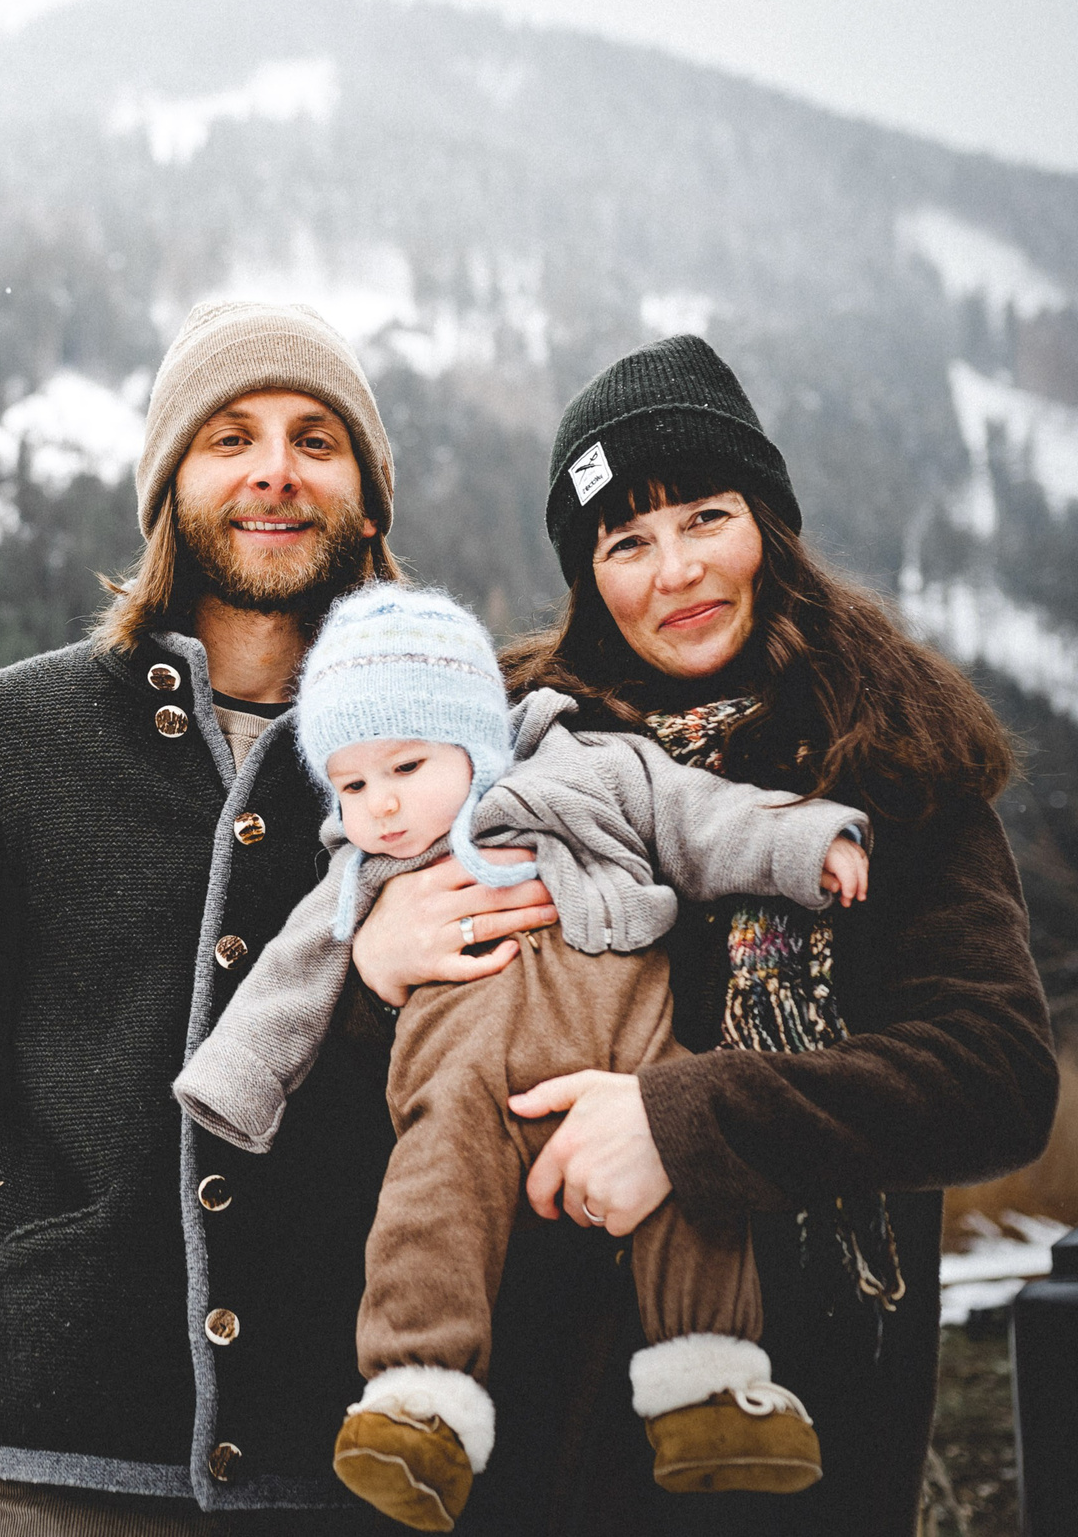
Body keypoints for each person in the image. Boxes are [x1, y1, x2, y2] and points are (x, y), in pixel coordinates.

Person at [0, 301, 554, 1537]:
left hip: (364, 1458)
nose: (274, 468)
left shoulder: (463, 756)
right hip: (66, 1461)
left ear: (370, 502)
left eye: (314, 439)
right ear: (170, 485)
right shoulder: (10, 738)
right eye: (230, 436)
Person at [348, 335, 1058, 1533]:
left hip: (802, 1433)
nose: (672, 570)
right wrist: (373, 970)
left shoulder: (890, 759)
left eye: (703, 517)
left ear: (767, 525)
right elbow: (380, 1050)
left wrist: (684, 1124)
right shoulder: (512, 756)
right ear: (589, 573)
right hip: (531, 1441)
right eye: (625, 541)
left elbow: (994, 1077)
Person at [172, 583, 870, 1530]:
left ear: (473, 733)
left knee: (687, 1175)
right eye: (350, 784)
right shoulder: (363, 871)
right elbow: (293, 977)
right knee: (433, 1197)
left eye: (404, 766)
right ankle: (419, 1396)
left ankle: (712, 1388)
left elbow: (703, 819)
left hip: (630, 1042)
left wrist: (805, 841)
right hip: (461, 1071)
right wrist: (232, 1082)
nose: (377, 807)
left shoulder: (591, 769)